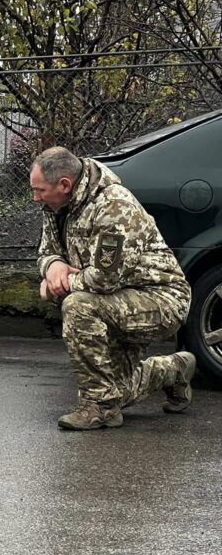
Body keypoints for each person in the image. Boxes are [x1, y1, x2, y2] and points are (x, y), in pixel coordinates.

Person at [31, 147, 194, 430]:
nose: (35, 197)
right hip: (112, 301)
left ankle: (99, 408)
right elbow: (46, 251)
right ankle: (173, 370)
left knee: (78, 304)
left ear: (65, 184)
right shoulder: (56, 205)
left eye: (40, 190)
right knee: (118, 388)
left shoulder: (114, 206)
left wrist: (61, 284)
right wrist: (53, 266)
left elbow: (105, 279)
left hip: (158, 299)